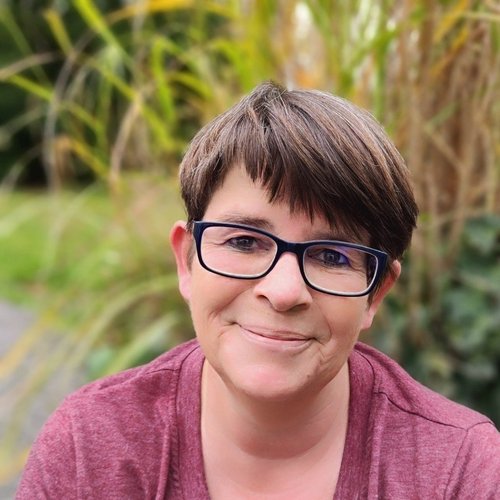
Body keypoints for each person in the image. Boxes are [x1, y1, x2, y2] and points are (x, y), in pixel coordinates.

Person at [17, 81, 499, 499]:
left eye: (332, 256)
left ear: (375, 293)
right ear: (187, 261)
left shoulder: (460, 471)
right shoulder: (90, 449)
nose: (284, 292)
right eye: (244, 242)